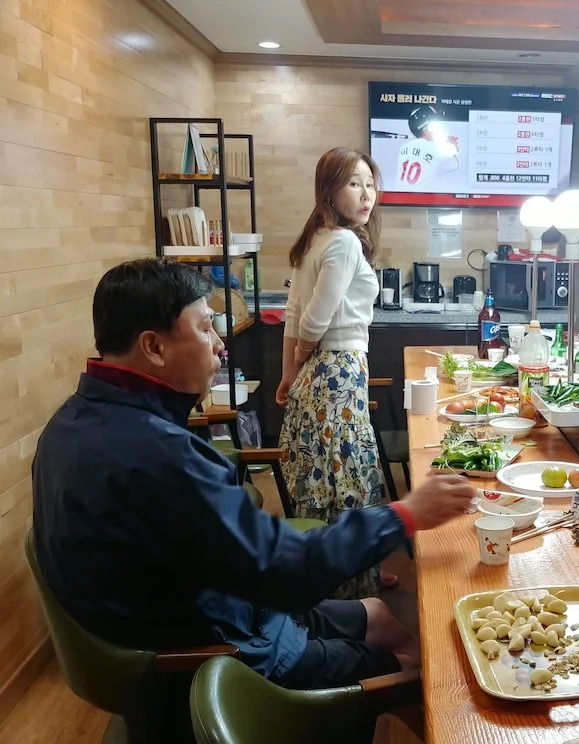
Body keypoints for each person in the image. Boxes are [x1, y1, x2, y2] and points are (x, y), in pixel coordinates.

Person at [31, 258, 477, 694]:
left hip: (224, 602)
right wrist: (405, 515)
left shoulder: (69, 421)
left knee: (378, 614)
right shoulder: (160, 455)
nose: (220, 345)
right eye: (205, 328)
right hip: (220, 655)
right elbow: (290, 572)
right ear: (153, 347)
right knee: (426, 675)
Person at [278, 146, 395, 598]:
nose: (366, 195)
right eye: (354, 183)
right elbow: (312, 320)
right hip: (339, 369)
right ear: (329, 190)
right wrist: (304, 354)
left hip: (320, 374)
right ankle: (353, 585)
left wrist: (290, 373)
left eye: (370, 184)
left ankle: (350, 575)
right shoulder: (344, 242)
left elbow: (292, 314)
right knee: (347, 473)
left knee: (328, 472)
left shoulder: (314, 239)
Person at [395, 104, 460, 188]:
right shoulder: (438, 149)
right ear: (426, 131)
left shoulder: (404, 148)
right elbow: (454, 165)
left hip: (399, 194)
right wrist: (453, 145)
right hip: (421, 195)